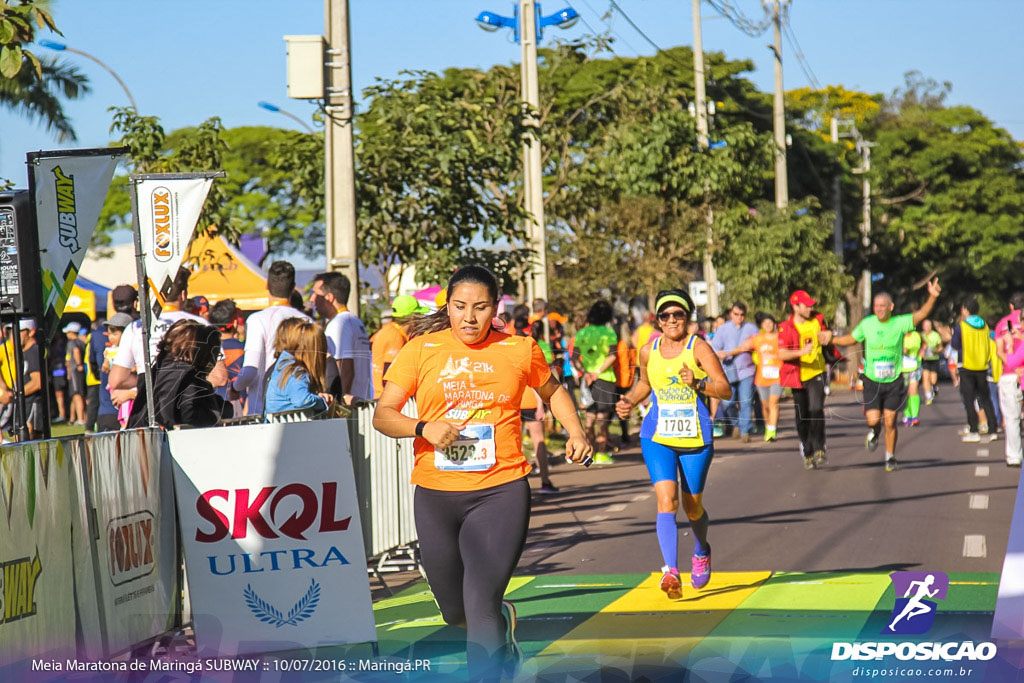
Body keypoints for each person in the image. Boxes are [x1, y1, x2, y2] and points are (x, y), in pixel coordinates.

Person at [371, 265, 592, 680]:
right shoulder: (421, 350)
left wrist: (576, 431)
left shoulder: (519, 349)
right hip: (436, 493)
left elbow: (554, 390)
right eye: (459, 307)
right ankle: (504, 622)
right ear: (447, 307)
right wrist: (423, 427)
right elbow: (383, 415)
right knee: (455, 612)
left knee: (480, 602)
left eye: (480, 307)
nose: (469, 317)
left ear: (495, 309)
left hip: (500, 490)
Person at [615, 289, 731, 600]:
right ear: (657, 319)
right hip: (657, 436)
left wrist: (698, 383)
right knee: (666, 501)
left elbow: (725, 390)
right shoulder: (647, 350)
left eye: (677, 314)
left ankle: (701, 548)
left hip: (695, 436)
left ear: (687, 317)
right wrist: (627, 401)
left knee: (693, 507)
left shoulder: (698, 348)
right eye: (665, 315)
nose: (671, 320)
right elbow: (644, 384)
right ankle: (671, 571)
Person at [832, 281, 941, 471]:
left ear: (890, 307)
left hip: (894, 381)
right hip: (872, 381)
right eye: (876, 306)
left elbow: (922, 314)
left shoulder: (899, 323)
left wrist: (932, 296)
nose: (879, 309)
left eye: (883, 306)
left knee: (890, 421)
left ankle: (890, 457)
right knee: (873, 421)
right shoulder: (867, 324)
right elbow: (851, 339)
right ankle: (874, 433)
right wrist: (831, 339)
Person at [108, 268, 209, 403]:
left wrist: (147, 384)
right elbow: (219, 377)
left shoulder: (135, 327)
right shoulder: (200, 324)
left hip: (150, 408)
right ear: (183, 295)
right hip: (190, 405)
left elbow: (116, 380)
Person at [230, 261, 312, 414]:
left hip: (263, 411)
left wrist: (235, 388)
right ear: (293, 286)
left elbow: (250, 371)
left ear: (267, 284)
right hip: (301, 410)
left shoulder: (258, 319)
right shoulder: (308, 321)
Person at [128, 319, 233, 429]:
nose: (214, 361)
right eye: (215, 355)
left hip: (139, 438)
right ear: (203, 352)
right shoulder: (187, 376)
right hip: (162, 441)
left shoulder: (161, 368)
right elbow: (188, 413)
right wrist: (217, 413)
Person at [778, 290, 834, 470]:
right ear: (795, 306)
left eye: (811, 305)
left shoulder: (818, 320)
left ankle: (819, 447)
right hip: (796, 375)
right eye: (806, 305)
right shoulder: (786, 327)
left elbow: (827, 334)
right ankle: (807, 451)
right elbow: (781, 353)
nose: (810, 308)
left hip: (817, 372)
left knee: (816, 409)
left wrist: (829, 335)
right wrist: (800, 353)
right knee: (802, 416)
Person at [311, 272, 373, 404]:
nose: (312, 299)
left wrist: (340, 402)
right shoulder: (355, 320)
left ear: (329, 297)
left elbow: (345, 366)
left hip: (350, 406)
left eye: (316, 294)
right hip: (361, 399)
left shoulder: (339, 324)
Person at [723, 312, 783, 442]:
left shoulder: (780, 338)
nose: (768, 325)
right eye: (765, 323)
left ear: (774, 324)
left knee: (774, 403)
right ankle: (769, 426)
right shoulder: (757, 339)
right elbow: (742, 348)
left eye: (770, 322)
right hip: (762, 377)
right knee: (765, 405)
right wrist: (726, 354)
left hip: (778, 377)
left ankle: (772, 430)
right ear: (761, 325)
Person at [572, 300, 619, 464]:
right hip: (605, 379)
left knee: (590, 418)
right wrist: (598, 372)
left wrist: (586, 372)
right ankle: (601, 454)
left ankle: (588, 454)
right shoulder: (609, 333)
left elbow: (574, 357)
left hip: (587, 380)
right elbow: (612, 355)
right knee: (603, 419)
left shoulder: (582, 333)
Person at [950, 296, 999, 443]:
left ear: (965, 309)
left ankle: (974, 430)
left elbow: (955, 345)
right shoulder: (984, 325)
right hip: (982, 366)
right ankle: (993, 429)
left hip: (966, 366)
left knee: (969, 399)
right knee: (985, 398)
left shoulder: (962, 326)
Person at [518, 318, 558, 494]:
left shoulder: (504, 345)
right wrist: (541, 404)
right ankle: (545, 481)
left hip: (512, 402)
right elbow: (541, 378)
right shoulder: (533, 345)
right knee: (538, 440)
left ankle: (517, 482)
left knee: (514, 443)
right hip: (531, 401)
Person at [264, 320, 334, 417]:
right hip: (286, 428)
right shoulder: (296, 371)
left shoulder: (285, 365)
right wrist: (322, 402)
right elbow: (302, 399)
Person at [711, 302, 758, 442]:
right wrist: (719, 354)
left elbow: (758, 345)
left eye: (742, 315)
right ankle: (736, 424)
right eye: (736, 314)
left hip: (746, 370)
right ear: (731, 314)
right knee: (728, 403)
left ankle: (745, 431)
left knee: (746, 401)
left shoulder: (751, 329)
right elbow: (714, 347)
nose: (739, 317)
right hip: (728, 370)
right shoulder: (723, 329)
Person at [370, 294, 427, 397]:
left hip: (382, 397)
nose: (422, 319)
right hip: (389, 399)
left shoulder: (388, 330)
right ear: (413, 317)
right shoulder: (395, 336)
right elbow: (389, 378)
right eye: (420, 314)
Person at [995, 293, 1024, 467]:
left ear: (1011, 306)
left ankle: (1014, 456)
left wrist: (1013, 366)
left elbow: (1000, 351)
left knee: (1012, 418)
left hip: (1009, 374)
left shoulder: (1002, 324)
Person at [95, 313, 132, 432]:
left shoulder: (132, 352)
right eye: (109, 334)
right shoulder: (110, 351)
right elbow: (104, 367)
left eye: (115, 334)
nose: (111, 337)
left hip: (128, 400)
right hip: (110, 404)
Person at [209, 300, 246, 414]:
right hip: (240, 406)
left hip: (214, 406)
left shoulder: (206, 348)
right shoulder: (244, 348)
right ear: (234, 322)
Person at [64, 322, 88, 425]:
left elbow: (76, 351)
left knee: (77, 395)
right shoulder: (82, 342)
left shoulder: (72, 343)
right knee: (76, 395)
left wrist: (78, 364)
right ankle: (73, 418)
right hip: (78, 372)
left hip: (75, 371)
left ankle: (81, 419)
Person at [902, 328, 924, 427]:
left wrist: (922, 351)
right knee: (904, 393)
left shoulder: (916, 335)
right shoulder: (899, 335)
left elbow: (924, 343)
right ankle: (908, 415)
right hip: (901, 368)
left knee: (913, 390)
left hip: (915, 366)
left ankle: (915, 416)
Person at [920, 319, 943, 404]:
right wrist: (921, 352)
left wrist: (936, 351)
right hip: (925, 360)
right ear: (923, 327)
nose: (927, 328)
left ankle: (934, 387)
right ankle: (928, 396)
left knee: (933, 380)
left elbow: (941, 347)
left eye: (929, 326)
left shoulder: (935, 335)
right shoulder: (921, 335)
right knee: (925, 377)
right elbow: (919, 347)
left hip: (934, 359)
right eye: (926, 326)